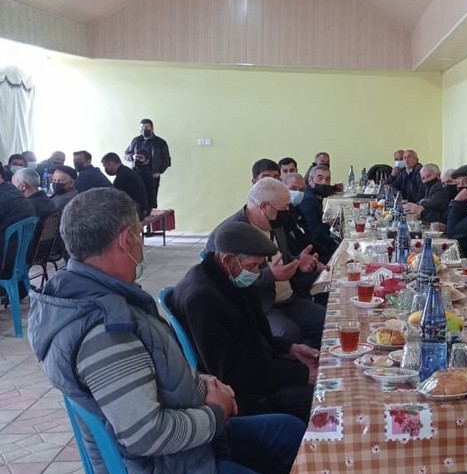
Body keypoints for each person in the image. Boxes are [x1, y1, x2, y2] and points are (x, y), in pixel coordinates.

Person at [27, 189, 304, 473]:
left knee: (288, 432)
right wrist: (216, 414)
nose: (140, 245)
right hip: (168, 464)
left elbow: (150, 372)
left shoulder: (104, 297)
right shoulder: (105, 331)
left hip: (186, 442)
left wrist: (202, 383)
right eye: (139, 235)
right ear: (126, 239)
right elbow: (146, 435)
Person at [174, 221, 318, 423]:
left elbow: (255, 336)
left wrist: (289, 348)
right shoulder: (203, 300)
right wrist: (301, 374)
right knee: (322, 396)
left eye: (259, 266)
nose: (257, 273)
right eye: (252, 266)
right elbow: (234, 372)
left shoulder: (231, 278)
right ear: (228, 260)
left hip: (258, 370)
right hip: (244, 394)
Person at [206, 178, 326, 348]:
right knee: (288, 333)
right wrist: (270, 276)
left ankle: (315, 359)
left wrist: (298, 262)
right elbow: (224, 285)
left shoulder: (275, 221)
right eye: (284, 207)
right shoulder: (228, 235)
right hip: (260, 306)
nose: (287, 211)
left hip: (289, 298)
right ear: (264, 206)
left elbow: (280, 259)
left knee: (328, 321)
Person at [124, 118, 171, 208]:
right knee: (136, 200)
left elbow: (167, 160)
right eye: (142, 128)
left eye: (146, 127)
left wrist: (159, 171)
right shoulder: (136, 141)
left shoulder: (160, 142)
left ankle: (151, 217)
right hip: (137, 175)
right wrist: (133, 157)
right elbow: (126, 154)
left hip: (152, 175)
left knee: (152, 201)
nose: (144, 130)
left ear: (152, 128)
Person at [300, 165, 341, 261]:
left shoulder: (315, 195)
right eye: (320, 178)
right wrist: (335, 244)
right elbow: (315, 233)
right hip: (314, 250)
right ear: (310, 180)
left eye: (327, 179)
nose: (324, 183)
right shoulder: (309, 200)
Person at [102, 152, 148, 219]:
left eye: (105, 166)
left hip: (136, 213)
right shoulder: (126, 171)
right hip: (141, 210)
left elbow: (114, 198)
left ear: (111, 163)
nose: (105, 169)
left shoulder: (121, 177)